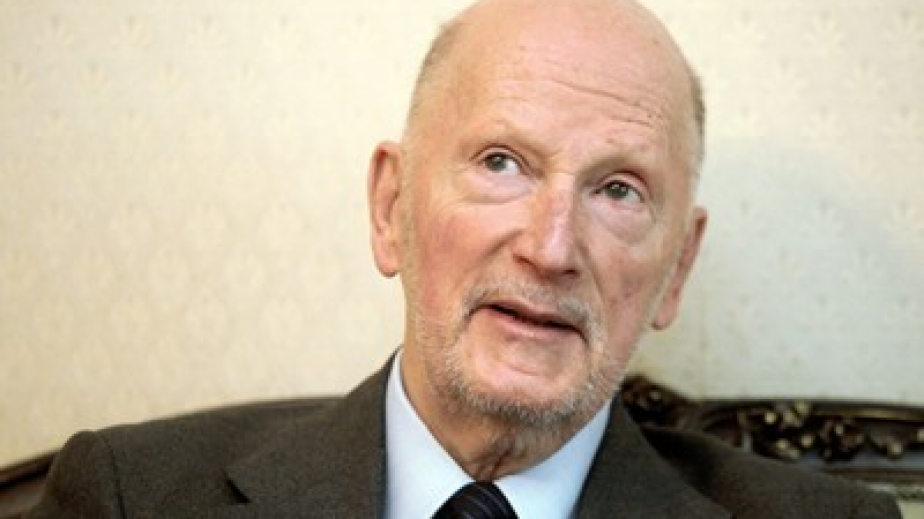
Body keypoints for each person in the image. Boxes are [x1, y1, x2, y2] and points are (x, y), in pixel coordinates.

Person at [28, 0, 901, 517]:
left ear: (676, 269)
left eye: (618, 189)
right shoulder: (131, 496)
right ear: (391, 206)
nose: (550, 247)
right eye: (501, 163)